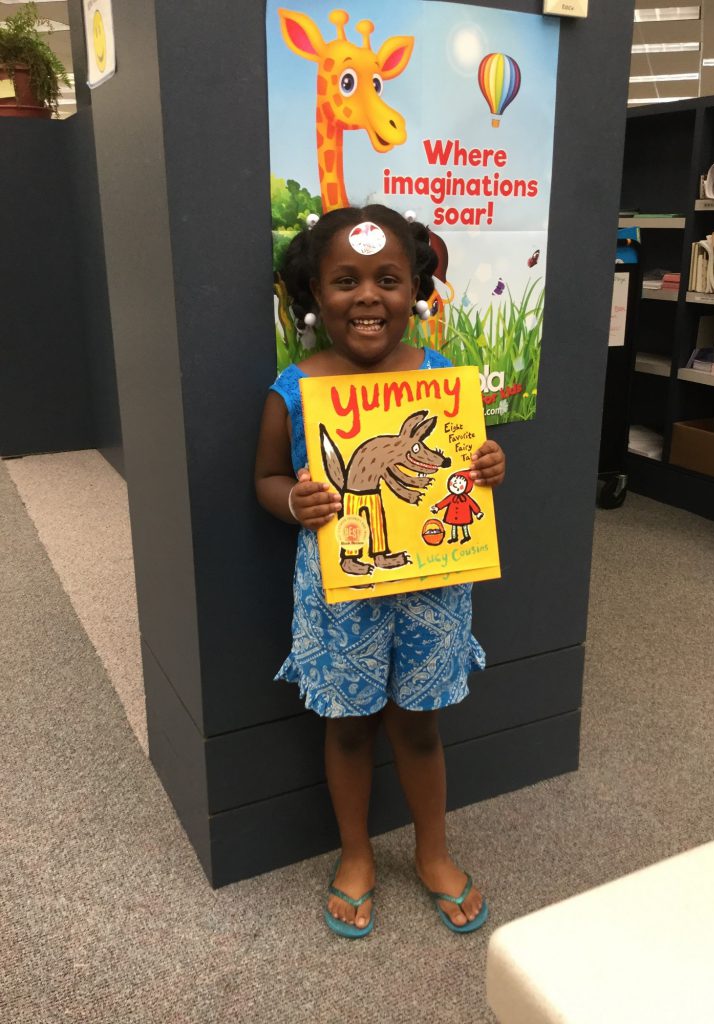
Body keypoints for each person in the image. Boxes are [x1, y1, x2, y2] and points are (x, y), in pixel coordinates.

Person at [254, 204, 505, 938]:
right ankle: (356, 854)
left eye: (389, 279)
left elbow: (463, 469)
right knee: (350, 728)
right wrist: (293, 501)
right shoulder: (295, 386)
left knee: (420, 728)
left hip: (432, 588)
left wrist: (490, 463)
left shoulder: (442, 378)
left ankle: (433, 851)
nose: (368, 296)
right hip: (342, 595)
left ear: (417, 290)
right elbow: (266, 478)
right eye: (346, 280)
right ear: (314, 294)